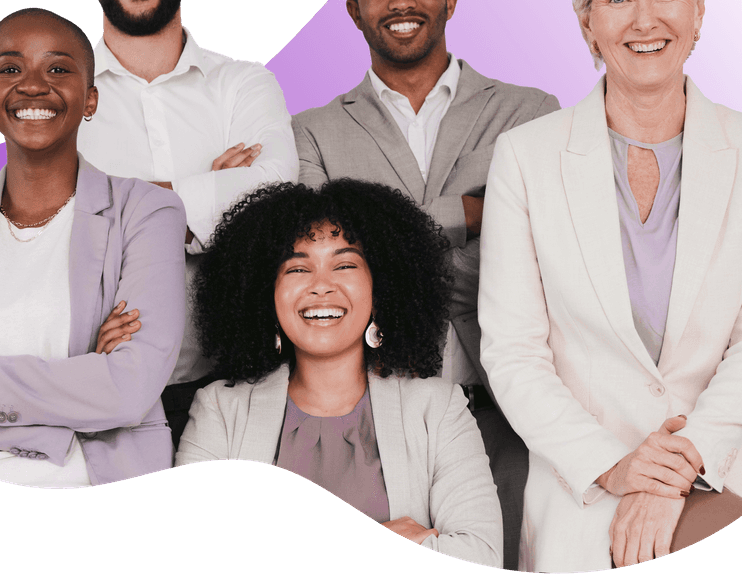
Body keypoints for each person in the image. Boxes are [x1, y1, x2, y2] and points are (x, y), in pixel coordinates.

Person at [478, 0, 742, 572]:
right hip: (587, 470)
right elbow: (513, 353)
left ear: (699, 11)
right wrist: (617, 467)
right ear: (587, 23)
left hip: (730, 456)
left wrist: (677, 468)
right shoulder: (525, 157)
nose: (644, 20)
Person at [292, 0, 559, 570]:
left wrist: (381, 241)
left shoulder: (530, 113)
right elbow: (321, 257)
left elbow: (545, 252)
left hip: (507, 408)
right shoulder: (312, 132)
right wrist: (472, 214)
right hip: (373, 419)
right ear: (354, 9)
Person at [0, 9, 187, 486]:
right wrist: (80, 387)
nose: (32, 85)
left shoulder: (148, 213)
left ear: (90, 99)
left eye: (58, 68)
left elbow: (130, 391)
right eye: (10, 69)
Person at [77, 0, 298, 446]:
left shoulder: (243, 83)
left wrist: (122, 207)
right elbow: (55, 221)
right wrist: (205, 190)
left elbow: (274, 197)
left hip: (240, 388)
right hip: (96, 384)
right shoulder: (58, 98)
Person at [176, 180, 503, 568]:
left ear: (380, 288)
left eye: (345, 264)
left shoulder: (439, 408)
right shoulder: (219, 410)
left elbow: (479, 559)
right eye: (297, 267)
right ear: (266, 292)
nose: (321, 286)